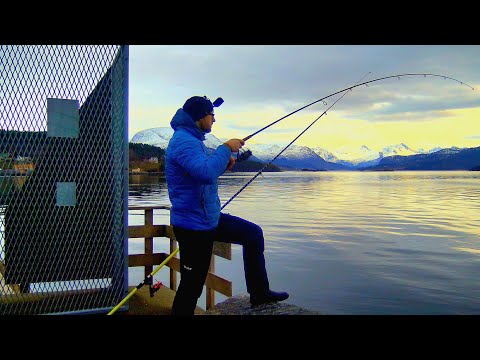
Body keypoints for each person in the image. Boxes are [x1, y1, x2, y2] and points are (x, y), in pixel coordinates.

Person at [165, 95, 289, 315]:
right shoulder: (183, 141)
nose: (214, 120)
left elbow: (204, 172)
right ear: (201, 116)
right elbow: (205, 172)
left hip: (207, 218)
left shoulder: (194, 140)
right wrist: (225, 148)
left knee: (253, 234)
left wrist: (225, 162)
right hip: (193, 227)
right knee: (191, 287)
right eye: (212, 115)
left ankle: (259, 293)